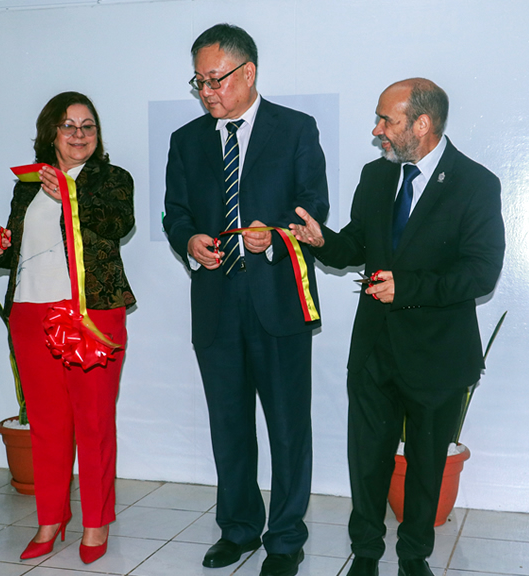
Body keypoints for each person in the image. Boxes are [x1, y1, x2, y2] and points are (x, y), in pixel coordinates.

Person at [290, 78, 504, 576]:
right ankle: (364, 554)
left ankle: (413, 558)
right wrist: (322, 241)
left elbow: (480, 272)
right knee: (367, 461)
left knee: (426, 467)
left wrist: (406, 287)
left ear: (422, 125)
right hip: (375, 351)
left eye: (387, 120)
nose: (377, 130)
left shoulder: (476, 184)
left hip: (438, 355)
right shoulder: (377, 176)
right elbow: (358, 247)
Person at [162, 23, 329, 576]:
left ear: (247, 72)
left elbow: (312, 206)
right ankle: (237, 529)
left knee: (287, 429)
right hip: (215, 305)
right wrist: (188, 241)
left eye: (214, 80)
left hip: (277, 301)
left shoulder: (296, 129)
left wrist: (276, 233)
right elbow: (176, 212)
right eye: (199, 82)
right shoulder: (186, 140)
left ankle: (284, 540)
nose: (207, 92)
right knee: (228, 426)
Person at [0, 91, 135, 565]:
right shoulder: (27, 184)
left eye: (87, 126)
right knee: (48, 426)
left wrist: (68, 194)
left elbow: (116, 223)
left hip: (88, 314)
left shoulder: (111, 179)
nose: (79, 134)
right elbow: (16, 251)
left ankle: (95, 524)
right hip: (30, 314)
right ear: (50, 132)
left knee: (93, 424)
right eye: (68, 126)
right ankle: (51, 519)